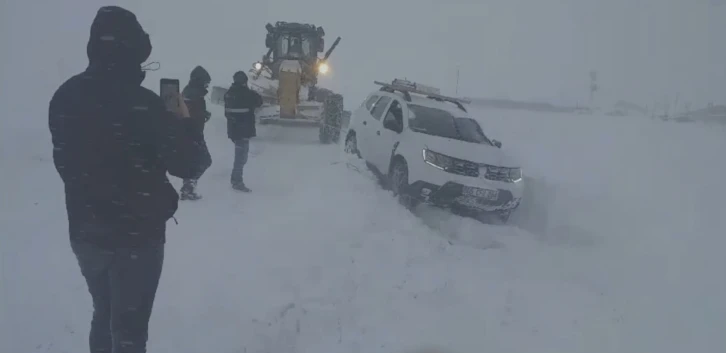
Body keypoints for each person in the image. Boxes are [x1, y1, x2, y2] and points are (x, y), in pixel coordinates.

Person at [48, 6, 211, 353]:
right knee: (130, 329)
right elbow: (191, 164)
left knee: (103, 312)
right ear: (137, 50)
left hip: (86, 233)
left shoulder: (65, 96)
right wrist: (187, 122)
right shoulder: (145, 105)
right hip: (136, 239)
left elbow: (66, 164)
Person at [224, 71, 263, 192]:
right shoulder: (249, 94)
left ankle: (235, 177)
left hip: (233, 131)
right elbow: (259, 102)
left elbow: (227, 113)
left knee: (241, 156)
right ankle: (236, 181)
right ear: (245, 82)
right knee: (241, 157)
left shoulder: (228, 94)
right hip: (244, 131)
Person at [180, 65, 213, 200]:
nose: (207, 85)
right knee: (205, 161)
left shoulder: (191, 93)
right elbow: (189, 114)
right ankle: (189, 186)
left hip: (191, 133)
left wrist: (204, 114)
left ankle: (188, 188)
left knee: (192, 161)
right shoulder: (194, 95)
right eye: (206, 82)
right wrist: (201, 116)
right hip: (193, 134)